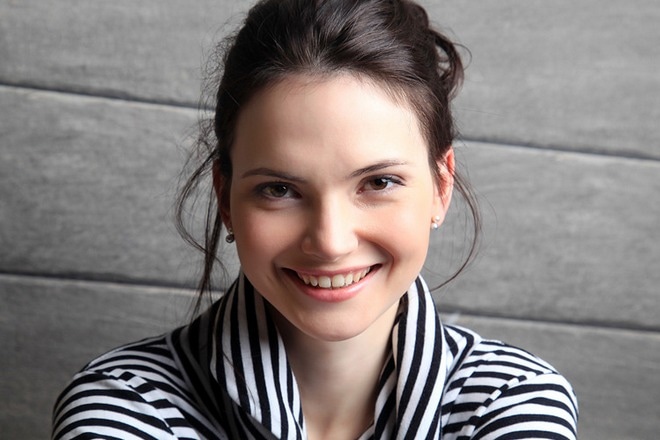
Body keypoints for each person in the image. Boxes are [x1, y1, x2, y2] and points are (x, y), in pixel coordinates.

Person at [52, 0, 578, 438]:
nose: (330, 242)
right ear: (226, 198)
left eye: (379, 182)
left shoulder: (513, 401)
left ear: (440, 187)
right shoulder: (125, 406)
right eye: (279, 190)